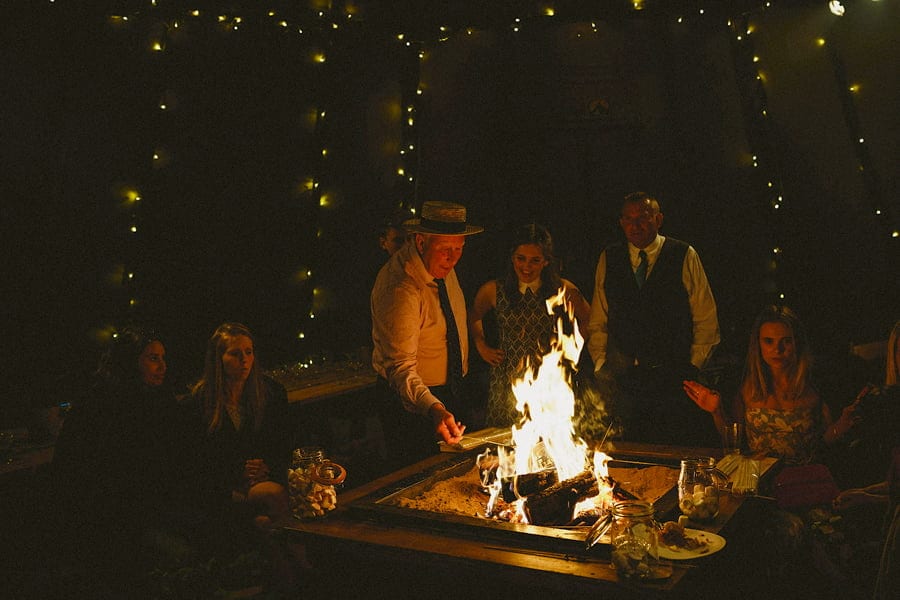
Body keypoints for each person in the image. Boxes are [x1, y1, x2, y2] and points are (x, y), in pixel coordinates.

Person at [49, 325, 186, 590]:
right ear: (130, 361)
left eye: (163, 358)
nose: (162, 366)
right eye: (153, 358)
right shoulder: (100, 404)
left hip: (149, 509)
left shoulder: (159, 400)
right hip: (108, 519)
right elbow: (86, 473)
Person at [588, 191, 720, 446]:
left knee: (671, 449)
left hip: (673, 378)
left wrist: (692, 366)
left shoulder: (683, 254)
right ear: (621, 223)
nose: (635, 225)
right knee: (628, 455)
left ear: (658, 220)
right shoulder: (609, 257)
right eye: (628, 219)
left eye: (643, 218)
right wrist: (601, 364)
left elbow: (706, 317)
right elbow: (598, 318)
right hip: (624, 380)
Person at [371, 200, 482, 466]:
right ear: (420, 242)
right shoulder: (401, 288)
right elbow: (401, 368)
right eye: (446, 249)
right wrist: (434, 408)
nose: (453, 258)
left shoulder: (441, 264)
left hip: (450, 391)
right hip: (412, 404)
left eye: (459, 248)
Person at [469, 223, 590, 427]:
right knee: (505, 443)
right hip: (506, 380)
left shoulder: (562, 289)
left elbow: (588, 319)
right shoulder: (493, 290)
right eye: (521, 259)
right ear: (512, 258)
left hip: (549, 379)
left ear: (545, 261)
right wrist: (481, 346)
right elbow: (473, 315)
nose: (526, 267)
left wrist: (570, 351)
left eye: (535, 260)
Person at [683, 305, 836, 464]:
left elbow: (827, 445)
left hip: (805, 478)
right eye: (769, 341)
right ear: (758, 344)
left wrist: (844, 425)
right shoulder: (747, 386)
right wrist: (717, 411)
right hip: (758, 478)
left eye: (786, 341)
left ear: (797, 342)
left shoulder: (815, 384)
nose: (778, 349)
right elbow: (735, 442)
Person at [186, 322, 293, 532]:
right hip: (223, 485)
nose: (244, 360)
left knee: (264, 521)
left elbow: (283, 443)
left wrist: (266, 466)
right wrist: (236, 471)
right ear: (219, 359)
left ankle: (294, 563)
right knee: (273, 497)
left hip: (263, 479)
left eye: (248, 352)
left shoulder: (269, 393)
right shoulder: (200, 402)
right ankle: (303, 562)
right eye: (235, 354)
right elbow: (196, 459)